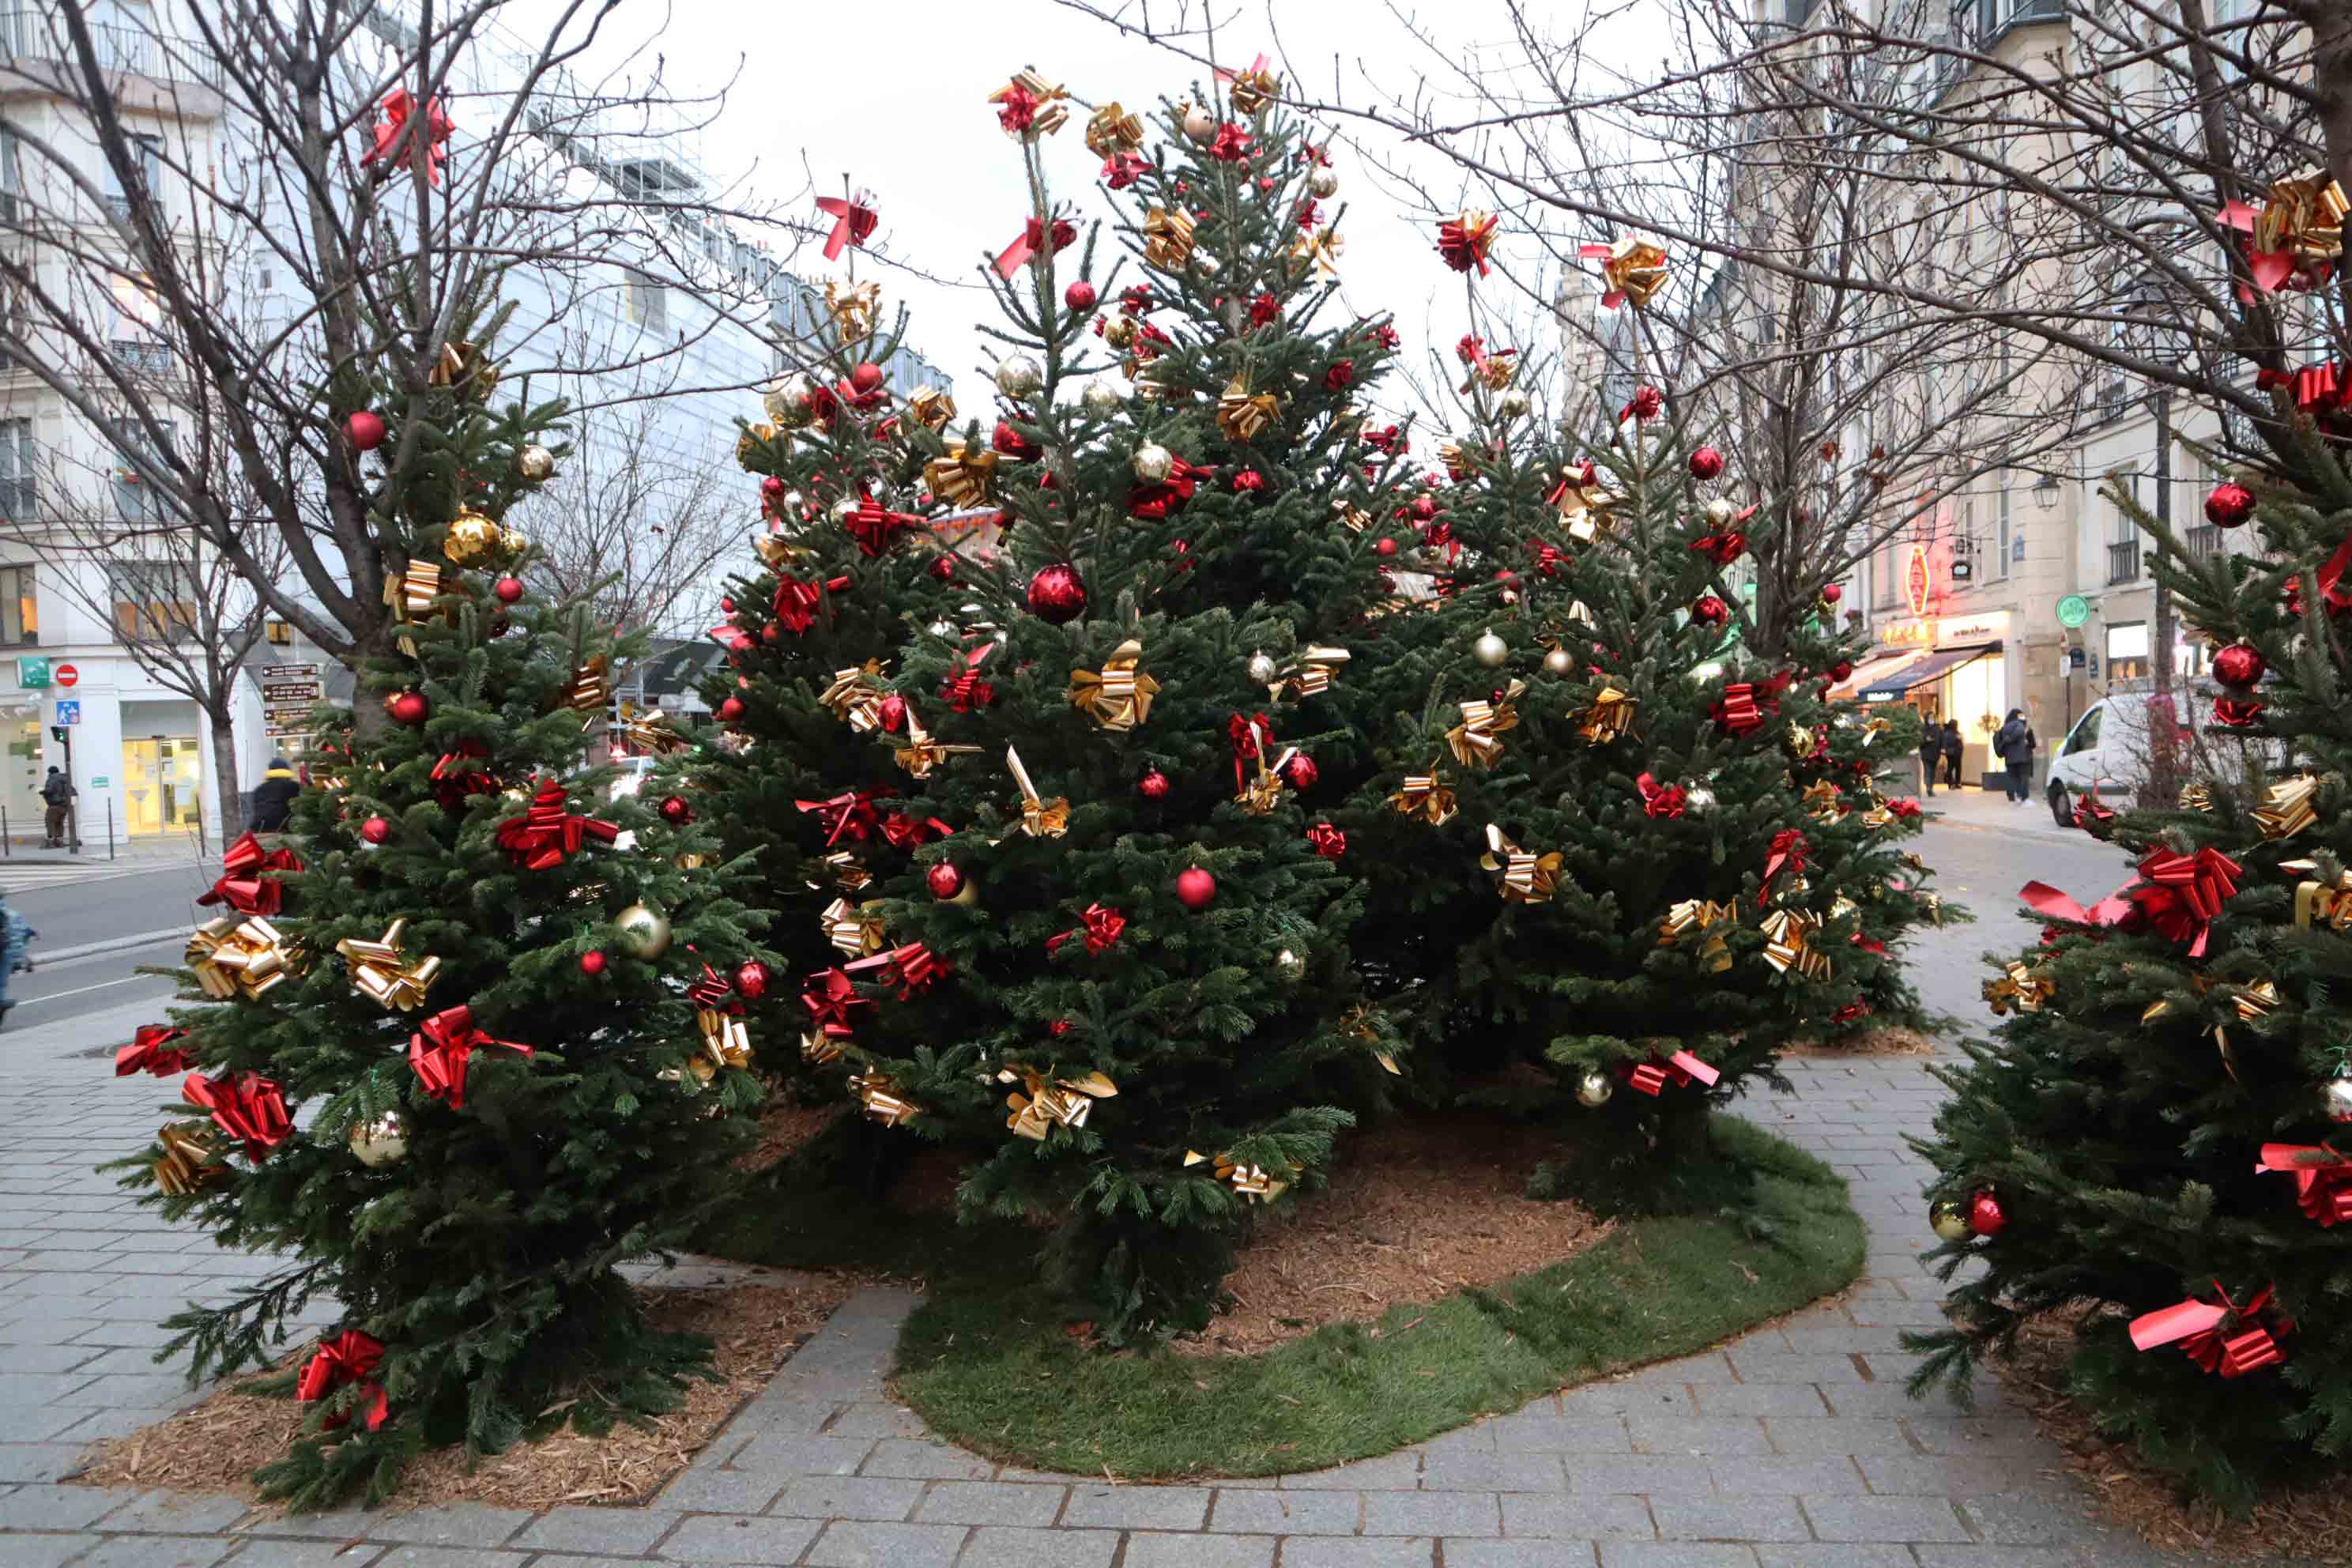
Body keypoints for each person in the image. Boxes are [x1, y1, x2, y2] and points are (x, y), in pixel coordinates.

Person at [0, 890, 33, 1027]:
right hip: (5, 953)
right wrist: (21, 958)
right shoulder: (12, 915)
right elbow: (19, 936)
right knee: (1, 984)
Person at [1994, 708, 2037, 804]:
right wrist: (2026, 743)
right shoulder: (2025, 728)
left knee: (2012, 778)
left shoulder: (2005, 728)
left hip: (2009, 758)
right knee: (2023, 777)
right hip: (2023, 757)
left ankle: (2012, 799)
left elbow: (2003, 742)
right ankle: (2023, 798)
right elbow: (2033, 744)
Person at [249, 757, 302, 833]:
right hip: (284, 830)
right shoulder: (294, 787)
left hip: (259, 829)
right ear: (287, 770)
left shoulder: (259, 789)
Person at [39, 767, 75, 849]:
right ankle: (60, 842)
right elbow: (73, 791)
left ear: (50, 772)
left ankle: (50, 842)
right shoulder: (65, 778)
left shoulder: (52, 778)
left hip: (54, 805)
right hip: (64, 806)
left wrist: (41, 791)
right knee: (59, 823)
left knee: (50, 822)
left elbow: (49, 790)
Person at [1916, 721, 1942, 797]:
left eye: (1933, 718)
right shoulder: (1923, 729)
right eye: (1930, 717)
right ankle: (1928, 788)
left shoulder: (1938, 728)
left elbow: (1941, 739)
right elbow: (1919, 741)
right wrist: (1925, 740)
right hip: (1926, 754)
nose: (1932, 719)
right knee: (1928, 770)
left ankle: (1931, 787)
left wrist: (1942, 748)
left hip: (1935, 753)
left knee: (1933, 772)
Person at [1941, 719, 1964, 790]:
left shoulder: (1950, 732)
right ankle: (1953, 783)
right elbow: (1947, 742)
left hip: (1954, 753)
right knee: (1954, 768)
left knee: (1954, 768)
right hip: (1953, 753)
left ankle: (1954, 783)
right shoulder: (1950, 733)